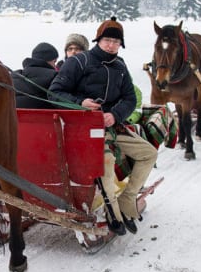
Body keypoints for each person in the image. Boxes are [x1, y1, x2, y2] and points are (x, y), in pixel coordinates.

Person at [50, 17, 158, 237]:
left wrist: (115, 115)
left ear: (121, 45)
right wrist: (80, 104)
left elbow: (130, 99)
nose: (111, 45)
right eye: (107, 40)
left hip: (111, 126)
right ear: (98, 40)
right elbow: (54, 92)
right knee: (106, 163)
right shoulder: (79, 61)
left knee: (149, 153)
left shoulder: (120, 66)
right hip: (82, 129)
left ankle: (127, 199)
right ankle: (114, 213)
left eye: (116, 42)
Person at [11, 42, 60, 109]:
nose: (55, 66)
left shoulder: (14, 76)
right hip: (44, 118)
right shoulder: (54, 76)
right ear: (49, 60)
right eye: (54, 62)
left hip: (16, 117)